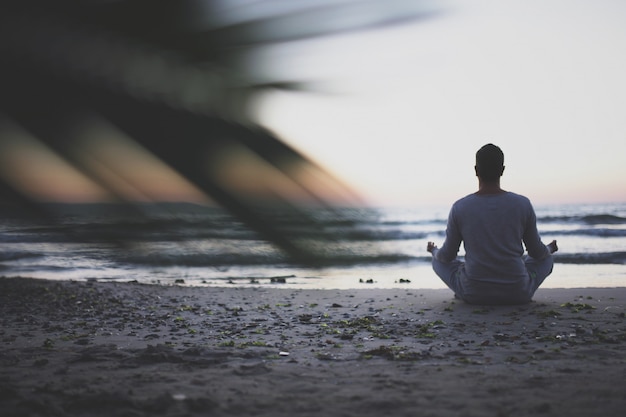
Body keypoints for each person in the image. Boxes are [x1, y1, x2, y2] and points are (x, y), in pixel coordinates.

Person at [427, 144, 558, 305]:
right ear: (502, 170)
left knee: (437, 261)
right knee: (547, 259)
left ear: (476, 170)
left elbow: (447, 256)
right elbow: (537, 253)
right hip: (518, 292)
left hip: (473, 293)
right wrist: (550, 248)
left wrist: (433, 251)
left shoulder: (460, 207)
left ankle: (467, 285)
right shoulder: (522, 204)